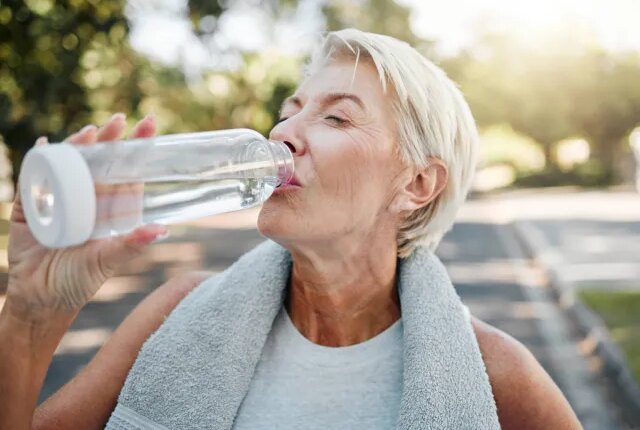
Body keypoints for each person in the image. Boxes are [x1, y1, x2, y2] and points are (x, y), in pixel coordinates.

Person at [0, 29, 582, 430]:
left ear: (417, 185)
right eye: (290, 109)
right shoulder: (177, 311)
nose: (283, 132)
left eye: (335, 116)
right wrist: (32, 312)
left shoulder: (498, 374)